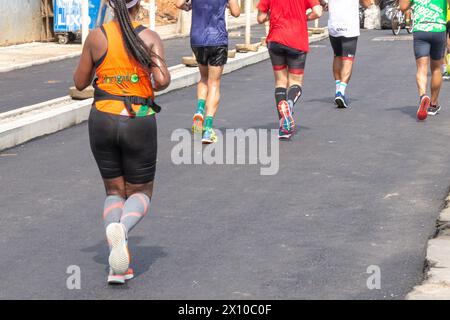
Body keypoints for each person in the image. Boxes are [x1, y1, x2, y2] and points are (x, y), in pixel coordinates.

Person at [73, 0, 170, 285]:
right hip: (138, 118)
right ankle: (123, 229)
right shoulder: (149, 37)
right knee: (141, 191)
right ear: (138, 4)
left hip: (102, 118)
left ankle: (119, 267)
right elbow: (162, 80)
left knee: (114, 190)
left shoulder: (97, 36)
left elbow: (80, 82)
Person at [176, 0, 241, 144]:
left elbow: (179, 3)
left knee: (203, 78)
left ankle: (199, 110)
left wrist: (189, 7)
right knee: (214, 83)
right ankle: (208, 128)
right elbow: (236, 12)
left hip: (197, 38)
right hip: (217, 39)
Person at [257, 0, 323, 139]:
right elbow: (318, 12)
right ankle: (289, 105)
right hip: (297, 40)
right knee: (295, 82)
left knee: (280, 82)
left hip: (276, 39)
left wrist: (273, 14)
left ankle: (283, 126)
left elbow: (260, 18)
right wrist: (304, 17)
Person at [400, 0, 449, 120]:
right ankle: (433, 104)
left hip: (421, 29)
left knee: (422, 68)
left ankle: (423, 96)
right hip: (438, 29)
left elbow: (403, 7)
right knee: (436, 69)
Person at [321, 0, 372, 109]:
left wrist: (325, 4)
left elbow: (322, 1)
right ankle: (341, 92)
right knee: (348, 59)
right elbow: (367, 3)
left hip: (334, 25)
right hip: (349, 26)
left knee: (337, 55)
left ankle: (337, 89)